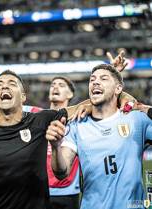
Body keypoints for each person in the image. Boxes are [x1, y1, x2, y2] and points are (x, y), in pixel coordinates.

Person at [0, 49, 81, 209]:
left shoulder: (78, 118)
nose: (55, 87)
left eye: (61, 85)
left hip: (67, 193)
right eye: (52, 84)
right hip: (36, 192)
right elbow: (1, 101)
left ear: (70, 93)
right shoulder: (35, 115)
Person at [46, 64, 152, 209]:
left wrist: (143, 108)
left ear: (118, 89)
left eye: (103, 79)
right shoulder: (77, 125)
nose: (95, 82)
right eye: (92, 79)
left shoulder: (137, 120)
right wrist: (56, 147)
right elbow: (61, 173)